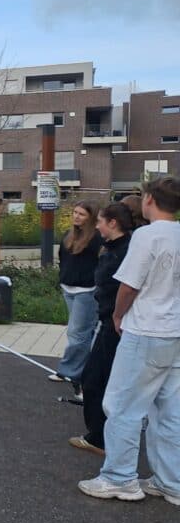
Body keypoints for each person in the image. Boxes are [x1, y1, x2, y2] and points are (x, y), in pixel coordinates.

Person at [79, 177, 180, 504]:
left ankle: (120, 478)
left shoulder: (146, 236)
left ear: (149, 199)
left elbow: (129, 285)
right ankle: (171, 481)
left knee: (121, 405)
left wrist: (119, 316)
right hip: (175, 332)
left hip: (146, 330)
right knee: (169, 411)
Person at [69, 203, 133, 455]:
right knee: (97, 379)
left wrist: (117, 315)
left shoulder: (124, 251)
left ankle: (100, 438)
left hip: (115, 324)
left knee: (96, 380)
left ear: (113, 223)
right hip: (110, 321)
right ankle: (100, 434)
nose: (97, 226)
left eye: (100, 222)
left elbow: (127, 289)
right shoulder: (117, 248)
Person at [51, 201, 102, 389]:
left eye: (81, 214)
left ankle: (69, 371)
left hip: (86, 291)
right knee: (81, 332)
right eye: (75, 212)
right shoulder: (68, 235)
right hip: (69, 288)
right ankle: (82, 369)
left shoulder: (96, 238)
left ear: (91, 217)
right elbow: (62, 259)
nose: (76, 216)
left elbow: (100, 262)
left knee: (77, 333)